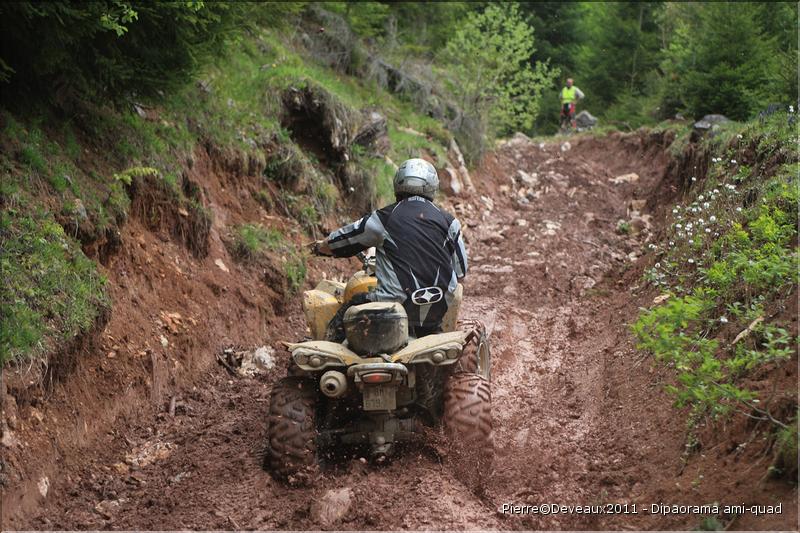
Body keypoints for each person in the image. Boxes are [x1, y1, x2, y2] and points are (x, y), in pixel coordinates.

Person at [312, 158, 468, 337]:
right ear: (432, 186)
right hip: (437, 309)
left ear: (398, 184)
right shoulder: (450, 222)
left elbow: (344, 239)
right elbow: (461, 272)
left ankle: (329, 351)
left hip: (392, 308)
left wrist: (322, 247)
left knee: (350, 306)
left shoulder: (385, 218)